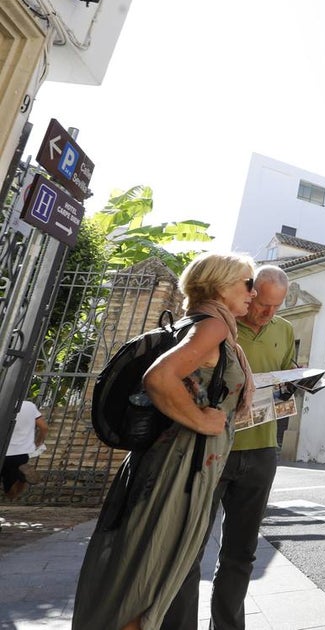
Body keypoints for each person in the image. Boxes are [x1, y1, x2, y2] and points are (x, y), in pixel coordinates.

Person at [74, 252, 256, 630]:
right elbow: (159, 378)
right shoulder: (213, 327)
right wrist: (202, 421)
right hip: (180, 472)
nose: (252, 294)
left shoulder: (202, 323)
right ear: (221, 286)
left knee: (140, 577)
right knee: (149, 583)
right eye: (247, 283)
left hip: (167, 465)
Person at [162, 265, 296, 630]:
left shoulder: (284, 331)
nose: (267, 313)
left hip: (261, 449)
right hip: (212, 450)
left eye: (276, 307)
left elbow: (285, 377)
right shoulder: (220, 327)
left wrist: (294, 383)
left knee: (241, 553)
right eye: (263, 304)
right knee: (189, 548)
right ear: (250, 292)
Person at [2, 399, 48, 500]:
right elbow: (44, 427)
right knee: (11, 490)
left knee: (9, 492)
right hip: (22, 454)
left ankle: (21, 477)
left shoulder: (3, 403)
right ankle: (21, 477)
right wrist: (38, 443)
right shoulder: (29, 406)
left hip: (3, 451)